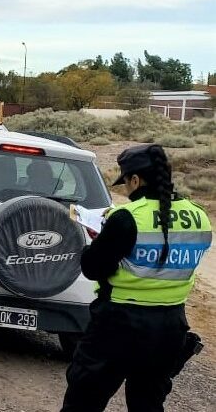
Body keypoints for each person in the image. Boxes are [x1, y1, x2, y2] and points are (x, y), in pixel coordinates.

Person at [61, 144, 211, 412]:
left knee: (83, 402)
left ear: (135, 180)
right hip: (170, 327)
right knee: (148, 404)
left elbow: (93, 268)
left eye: (126, 184)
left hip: (118, 324)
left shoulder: (128, 217)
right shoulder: (199, 216)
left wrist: (96, 242)